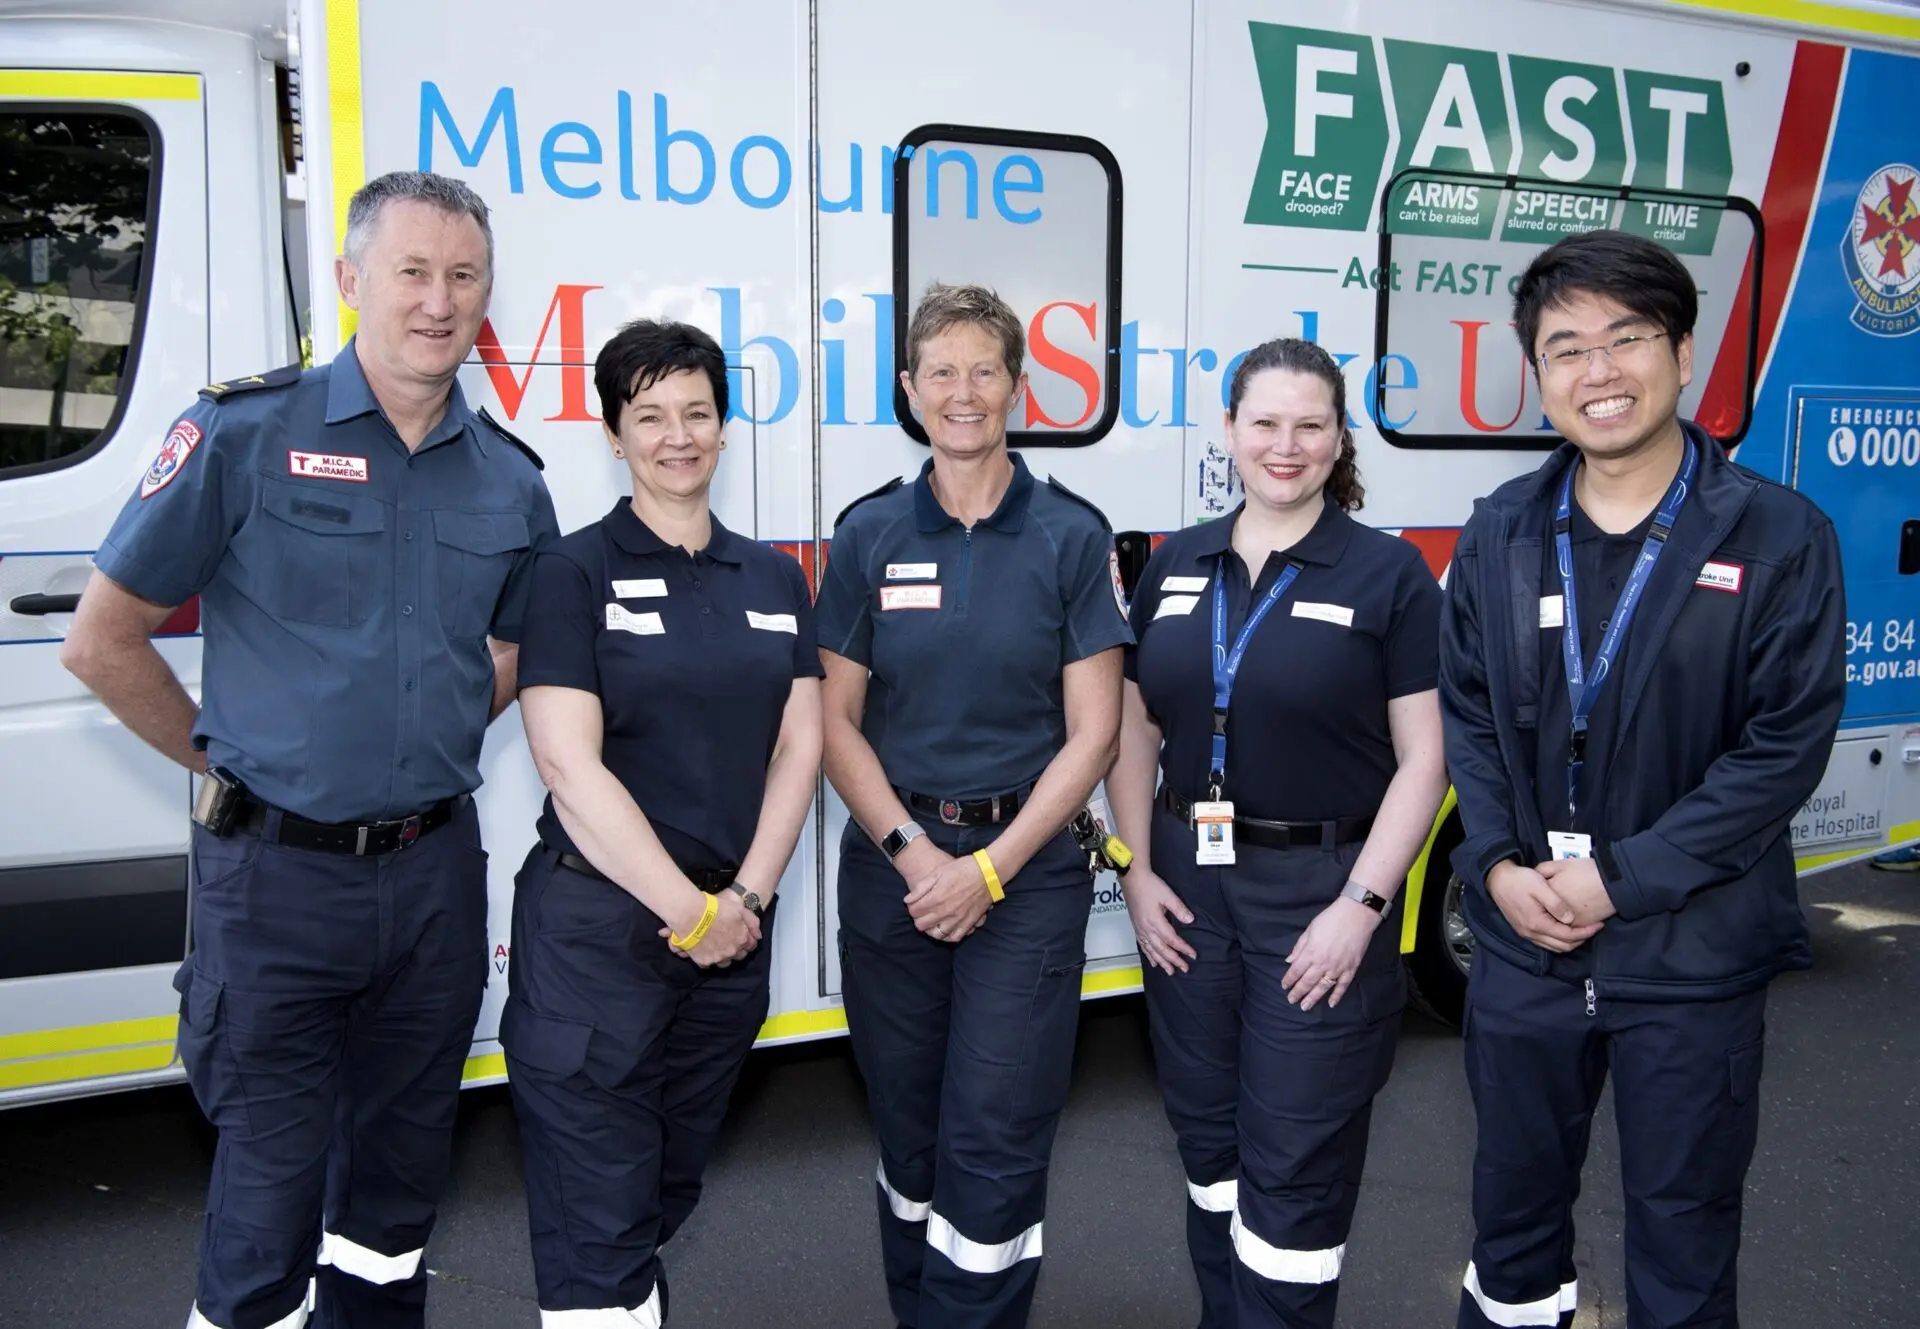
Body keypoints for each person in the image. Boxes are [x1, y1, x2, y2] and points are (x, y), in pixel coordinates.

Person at [59, 170, 558, 1329]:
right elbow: (101, 640)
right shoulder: (244, 433)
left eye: (465, 276)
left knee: (397, 1190)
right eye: (412, 271)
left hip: (433, 880)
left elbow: (513, 647)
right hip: (275, 882)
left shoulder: (511, 478)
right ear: (348, 280)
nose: (439, 300)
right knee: (267, 1200)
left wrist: (421, 732)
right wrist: (231, 764)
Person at [1438, 229, 1847, 1329]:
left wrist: (1621, 880)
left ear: (1682, 353)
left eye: (1627, 337)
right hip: (1527, 943)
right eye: (1567, 348)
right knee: (1510, 1234)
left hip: (1692, 953)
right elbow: (1469, 715)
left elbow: (1783, 747)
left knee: (1683, 1241)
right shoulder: (1502, 531)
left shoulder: (1779, 535)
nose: (1599, 371)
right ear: (1538, 374)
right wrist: (1497, 865)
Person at [1107, 338, 1449, 1329]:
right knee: (1208, 1143)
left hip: (1322, 893)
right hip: (1186, 887)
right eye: (1264, 422)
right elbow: (1135, 727)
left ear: (1339, 438)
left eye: (1309, 425)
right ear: (1229, 431)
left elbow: (1426, 759)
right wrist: (1134, 871)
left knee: (1296, 1157)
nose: (1284, 446)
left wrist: (1363, 907)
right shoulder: (1176, 561)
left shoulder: (1390, 574)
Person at [815, 283, 1131, 1329]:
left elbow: (1094, 734)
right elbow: (834, 722)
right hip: (895, 869)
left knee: (995, 1135)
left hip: (1027, 875)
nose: (963, 392)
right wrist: (917, 855)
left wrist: (989, 869)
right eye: (941, 372)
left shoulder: (1071, 534)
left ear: (1018, 387)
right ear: (910, 389)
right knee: (909, 1134)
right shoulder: (867, 533)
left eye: (984, 370)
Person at [500, 318, 824, 1324]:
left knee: (660, 1191)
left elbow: (800, 746)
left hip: (729, 938)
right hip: (600, 936)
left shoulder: (774, 577)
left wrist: (746, 901)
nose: (676, 435)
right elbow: (567, 762)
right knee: (597, 1216)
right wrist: (691, 911)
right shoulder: (572, 571)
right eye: (649, 415)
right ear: (613, 433)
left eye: (696, 412)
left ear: (725, 427)